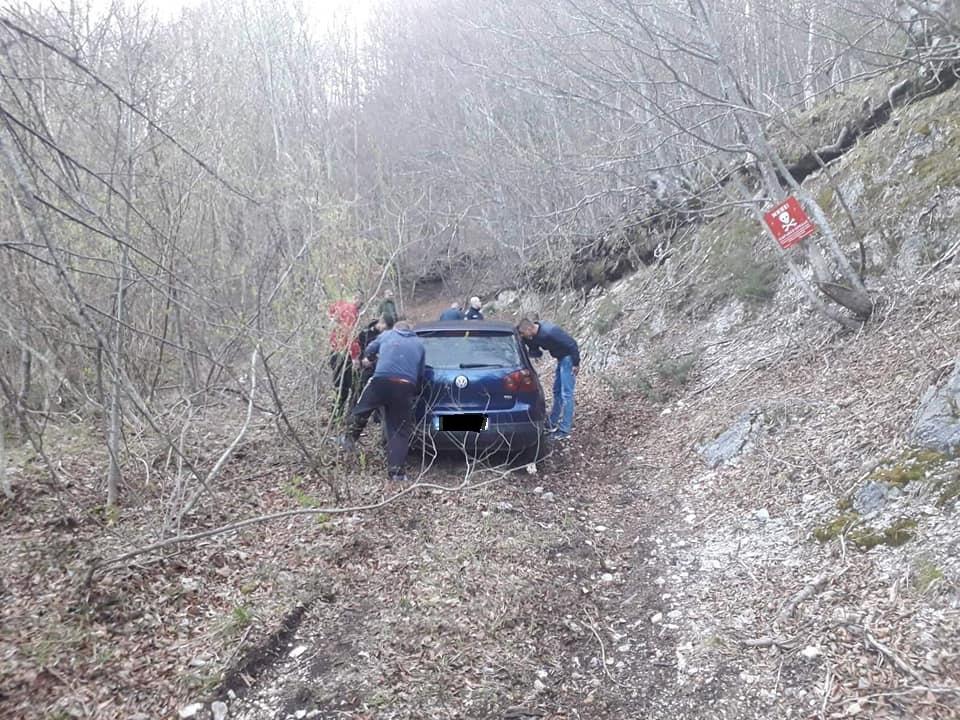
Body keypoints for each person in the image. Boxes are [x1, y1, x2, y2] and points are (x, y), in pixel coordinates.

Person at [340, 320, 425, 484]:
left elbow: (370, 349)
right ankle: (397, 473)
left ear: (396, 329)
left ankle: (348, 439)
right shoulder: (419, 344)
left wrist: (369, 359)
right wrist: (414, 391)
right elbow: (420, 373)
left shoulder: (387, 335)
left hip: (382, 380)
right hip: (405, 386)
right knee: (399, 430)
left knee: (362, 408)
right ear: (410, 330)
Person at [517, 318, 580, 440]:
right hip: (561, 358)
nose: (524, 336)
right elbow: (533, 347)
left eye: (524, 334)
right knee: (557, 391)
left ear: (529, 329)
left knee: (567, 394)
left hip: (568, 359)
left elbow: (572, 343)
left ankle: (564, 430)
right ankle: (552, 422)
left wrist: (576, 363)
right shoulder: (533, 335)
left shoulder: (550, 331)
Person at [328, 295, 362, 418]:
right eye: (360, 301)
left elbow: (331, 315)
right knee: (343, 388)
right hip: (343, 354)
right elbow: (350, 333)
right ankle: (336, 416)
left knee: (339, 387)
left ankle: (336, 415)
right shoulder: (350, 310)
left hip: (334, 351)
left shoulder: (339, 305)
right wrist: (354, 356)